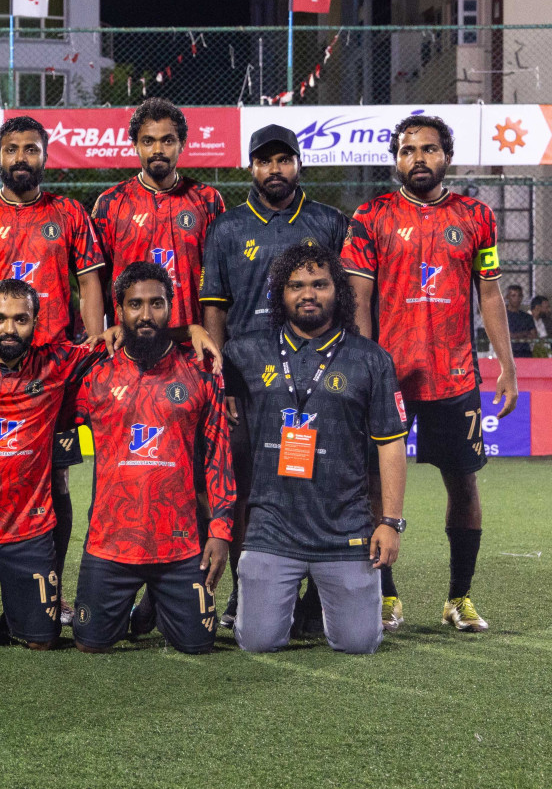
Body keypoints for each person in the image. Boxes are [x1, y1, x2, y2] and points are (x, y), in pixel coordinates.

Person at [343, 115, 515, 632]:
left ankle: (458, 598)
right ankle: (385, 596)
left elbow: (489, 293)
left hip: (455, 377)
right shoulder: (369, 217)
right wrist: (364, 365)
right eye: (408, 150)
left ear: (447, 155)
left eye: (429, 149)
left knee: (463, 486)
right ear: (395, 159)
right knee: (373, 482)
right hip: (388, 379)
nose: (418, 158)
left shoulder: (478, 216)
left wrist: (506, 365)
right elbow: (360, 299)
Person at [0, 114, 105, 623]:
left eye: (30, 149)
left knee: (55, 483)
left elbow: (91, 284)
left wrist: (96, 345)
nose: (21, 158)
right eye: (12, 149)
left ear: (45, 156)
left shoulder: (70, 212)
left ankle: (45, 593)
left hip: (52, 377)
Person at [198, 123, 349, 629]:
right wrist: (222, 383)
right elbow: (214, 309)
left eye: (284, 160)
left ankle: (312, 598)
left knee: (313, 481)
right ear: (251, 167)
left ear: (298, 163)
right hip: (246, 379)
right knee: (245, 488)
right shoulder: (227, 227)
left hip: (315, 373)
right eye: (265, 161)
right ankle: (248, 591)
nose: (275, 170)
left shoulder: (329, 221)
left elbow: (343, 303)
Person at [224, 243, 408, 655]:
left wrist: (391, 522)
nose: (308, 293)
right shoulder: (246, 353)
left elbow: (392, 445)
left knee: (359, 643)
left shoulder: (371, 359)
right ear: (281, 294)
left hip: (344, 529)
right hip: (272, 528)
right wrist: (197, 333)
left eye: (320, 284)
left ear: (337, 291)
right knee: (258, 642)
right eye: (297, 285)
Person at [71, 262, 233, 655]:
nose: (146, 315)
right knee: (90, 643)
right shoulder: (94, 370)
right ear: (118, 309)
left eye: (157, 304)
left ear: (171, 307)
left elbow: (218, 456)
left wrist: (221, 531)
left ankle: (155, 601)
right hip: (110, 543)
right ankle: (144, 603)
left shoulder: (201, 370)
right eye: (135, 305)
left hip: (179, 546)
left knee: (198, 644)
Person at [0, 279, 102, 651]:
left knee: (41, 643)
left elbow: (111, 348)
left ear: (36, 322)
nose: (9, 329)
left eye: (21, 320)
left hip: (30, 533)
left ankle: (15, 611)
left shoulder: (55, 362)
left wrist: (189, 329)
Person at [90, 99, 226, 329]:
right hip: (130, 344)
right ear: (135, 145)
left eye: (167, 141)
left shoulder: (208, 200)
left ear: (182, 143)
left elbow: (220, 282)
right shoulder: (110, 203)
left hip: (191, 343)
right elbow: (96, 282)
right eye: (148, 141)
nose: (157, 150)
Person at [504, 284, 536, 358]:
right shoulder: (502, 316)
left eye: (519, 296)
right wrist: (525, 333)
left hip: (525, 352)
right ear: (507, 297)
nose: (517, 299)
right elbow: (506, 335)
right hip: (508, 353)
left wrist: (515, 335)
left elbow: (533, 335)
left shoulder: (527, 316)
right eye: (513, 295)